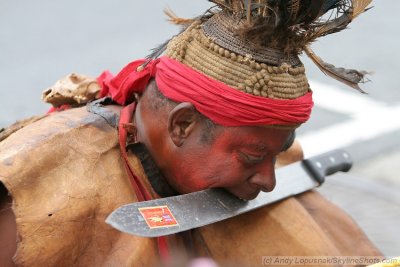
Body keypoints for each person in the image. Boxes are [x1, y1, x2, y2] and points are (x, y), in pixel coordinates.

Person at [0, 0, 382, 266]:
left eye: (277, 153)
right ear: (182, 125)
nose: (268, 180)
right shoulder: (31, 198)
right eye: (251, 158)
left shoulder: (265, 172)